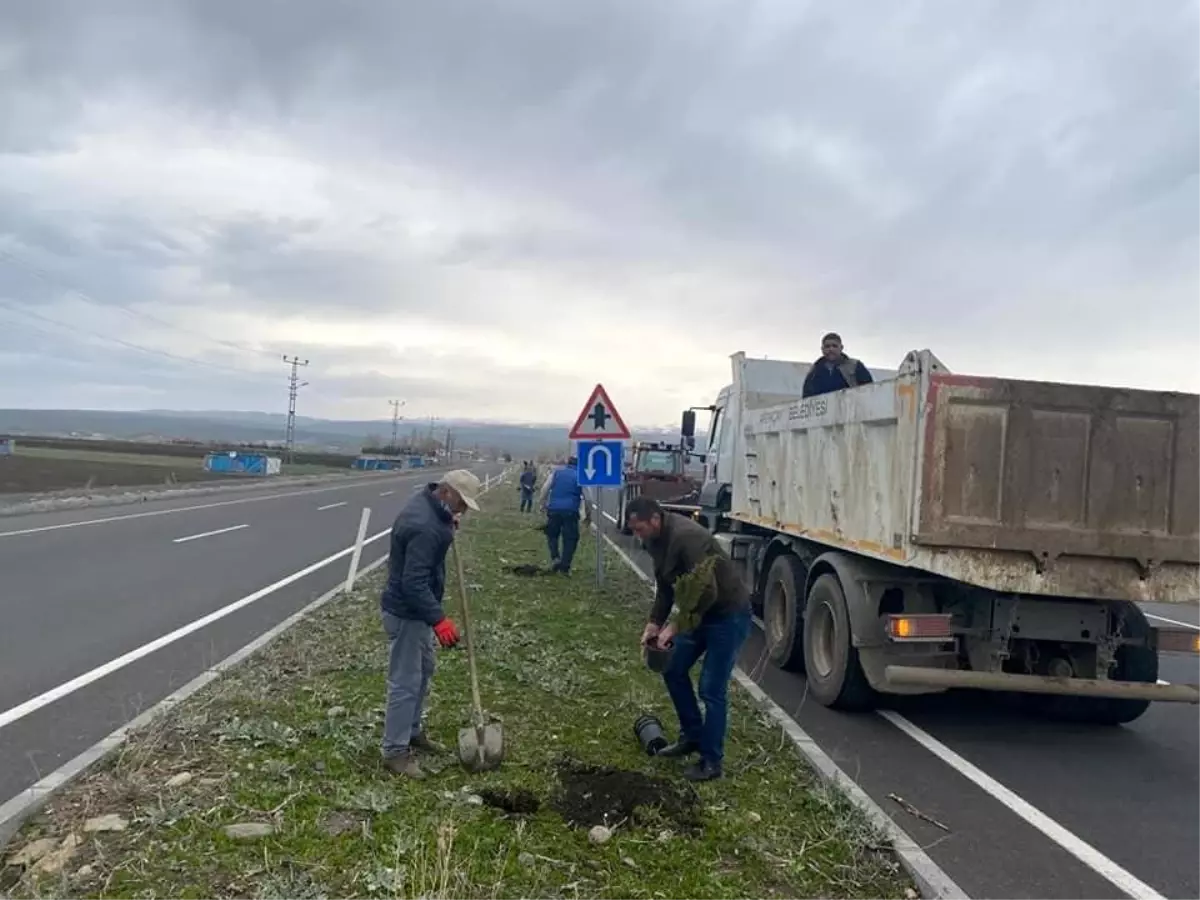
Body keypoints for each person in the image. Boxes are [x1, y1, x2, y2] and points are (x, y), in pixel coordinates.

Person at [628, 496, 751, 782]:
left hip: (726, 615)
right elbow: (666, 586)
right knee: (673, 667)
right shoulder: (654, 540)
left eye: (639, 529)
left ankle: (711, 761)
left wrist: (675, 626)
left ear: (655, 520)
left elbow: (707, 592)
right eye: (634, 530)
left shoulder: (688, 538)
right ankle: (692, 736)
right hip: (698, 614)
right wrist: (653, 624)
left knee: (711, 688)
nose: (637, 535)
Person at [378, 469, 481, 778]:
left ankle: (411, 731)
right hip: (408, 612)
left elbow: (434, 536)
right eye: (461, 503)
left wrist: (448, 524)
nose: (462, 510)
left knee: (424, 670)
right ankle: (394, 751)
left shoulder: (430, 507)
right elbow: (414, 583)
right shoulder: (424, 525)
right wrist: (439, 621)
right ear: (446, 492)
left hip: (416, 612)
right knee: (405, 681)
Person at [538, 455, 585, 574]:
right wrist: (588, 515)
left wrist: (543, 504)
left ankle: (555, 558)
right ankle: (565, 565)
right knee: (570, 539)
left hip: (554, 509)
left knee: (552, 534)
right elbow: (588, 498)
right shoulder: (581, 476)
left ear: (567, 463)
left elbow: (544, 489)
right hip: (571, 511)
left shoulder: (556, 473)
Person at [802, 332, 873, 398]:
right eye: (827, 346)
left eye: (834, 346)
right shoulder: (814, 371)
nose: (831, 349)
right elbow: (806, 398)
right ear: (822, 349)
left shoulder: (855, 366)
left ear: (841, 348)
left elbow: (870, 390)